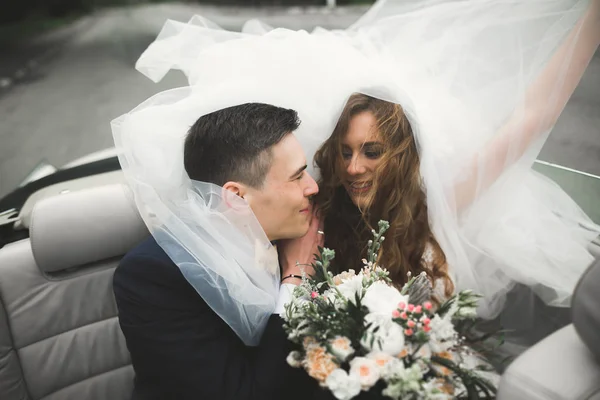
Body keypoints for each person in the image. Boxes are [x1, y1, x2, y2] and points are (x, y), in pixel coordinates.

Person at [113, 103, 325, 400]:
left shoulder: (295, 234)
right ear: (237, 198)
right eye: (297, 176)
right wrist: (294, 278)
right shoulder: (152, 276)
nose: (313, 187)